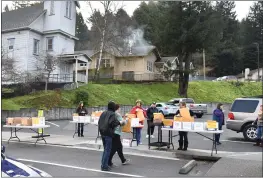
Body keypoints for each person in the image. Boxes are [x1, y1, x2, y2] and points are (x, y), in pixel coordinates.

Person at [98, 101, 126, 171]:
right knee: (107, 150)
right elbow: (112, 123)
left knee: (105, 150)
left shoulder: (103, 113)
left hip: (102, 132)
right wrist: (119, 123)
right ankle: (104, 166)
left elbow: (99, 122)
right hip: (108, 133)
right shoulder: (112, 114)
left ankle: (104, 164)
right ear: (113, 107)